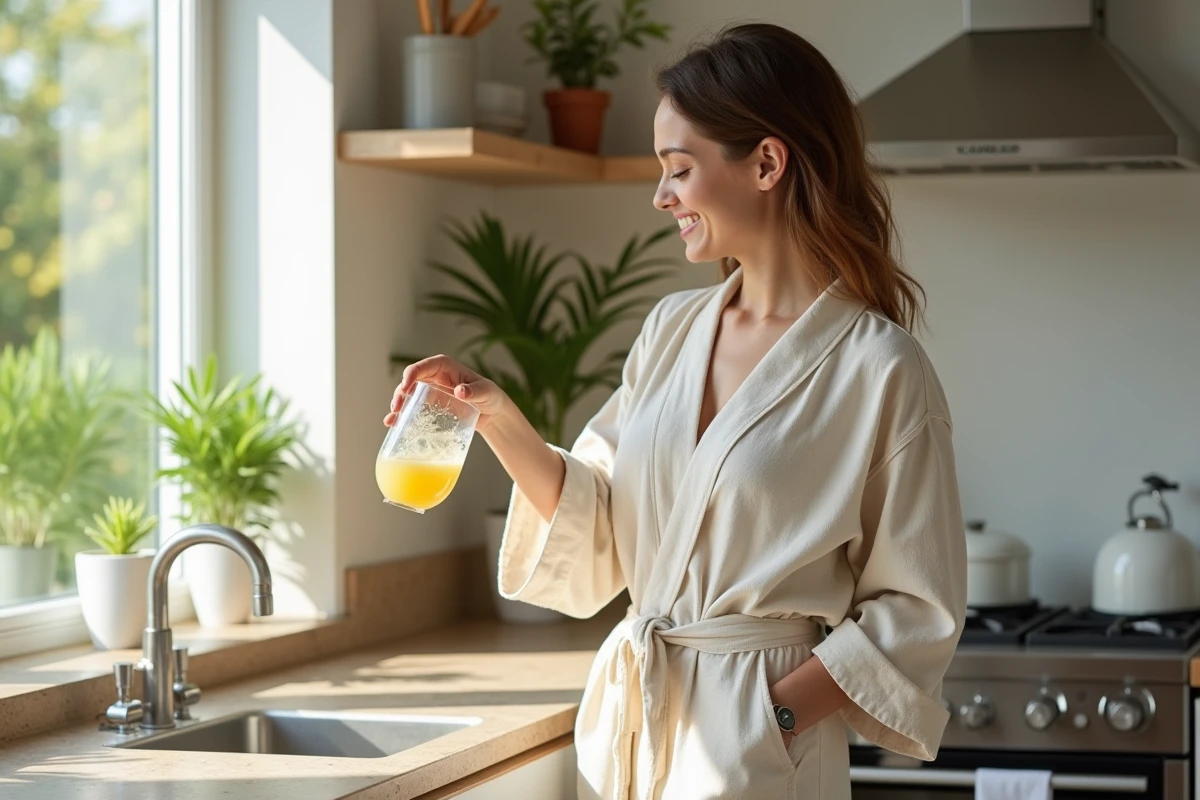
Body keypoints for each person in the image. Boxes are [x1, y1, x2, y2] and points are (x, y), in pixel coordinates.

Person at [385, 22, 966, 800]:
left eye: (680, 169)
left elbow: (917, 605)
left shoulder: (879, 368)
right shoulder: (671, 331)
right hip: (642, 729)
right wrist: (496, 418)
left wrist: (775, 717)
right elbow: (603, 518)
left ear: (766, 162)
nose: (661, 196)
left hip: (760, 750)